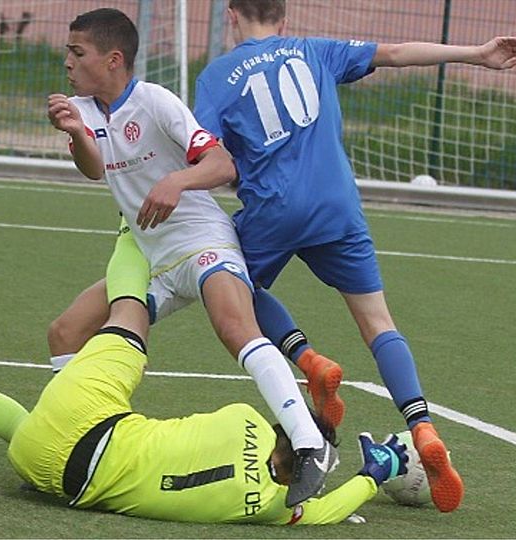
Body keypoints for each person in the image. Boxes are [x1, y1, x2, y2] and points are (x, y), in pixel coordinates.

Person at [182, 0, 516, 513]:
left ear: (232, 14)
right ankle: (424, 429)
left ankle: (309, 359)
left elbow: (208, 153)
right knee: (378, 323)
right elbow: (394, 52)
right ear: (284, 17)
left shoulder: (217, 76)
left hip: (275, 210)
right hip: (338, 206)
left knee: (227, 282)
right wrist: (475, 54)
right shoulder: (315, 50)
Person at [0, 227, 410, 525]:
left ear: (285, 429)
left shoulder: (245, 420)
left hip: (88, 419)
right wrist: (377, 471)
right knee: (31, 428)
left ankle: (128, 225)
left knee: (130, 312)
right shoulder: (276, 511)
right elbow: (324, 511)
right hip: (50, 474)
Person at [44, 7, 335, 506]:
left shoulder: (156, 102)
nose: (67, 62)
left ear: (113, 60)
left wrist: (176, 180)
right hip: (156, 263)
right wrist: (74, 131)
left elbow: (221, 164)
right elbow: (95, 169)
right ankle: (68, 436)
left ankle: (310, 444)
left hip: (203, 243)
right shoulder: (85, 108)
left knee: (235, 329)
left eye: (77, 53)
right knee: (66, 331)